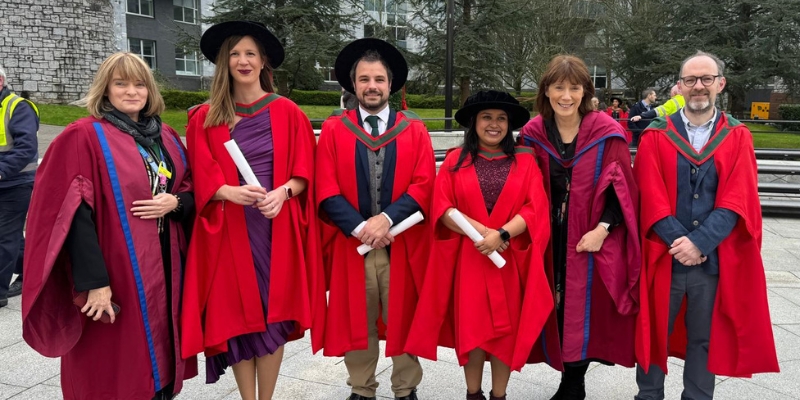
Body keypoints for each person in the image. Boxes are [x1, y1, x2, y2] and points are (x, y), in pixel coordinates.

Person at [21, 52, 196, 399]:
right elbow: (70, 215)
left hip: (165, 265)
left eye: (139, 83)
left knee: (159, 355)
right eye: (121, 83)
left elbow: (189, 186)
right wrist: (95, 283)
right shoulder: (83, 136)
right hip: (115, 268)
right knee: (114, 364)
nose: (132, 91)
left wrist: (175, 203)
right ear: (106, 89)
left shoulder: (166, 136)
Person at [180, 21, 325, 400]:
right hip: (228, 230)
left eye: (250, 54)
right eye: (235, 54)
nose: (242, 61)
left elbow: (305, 174)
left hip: (274, 226)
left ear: (263, 62)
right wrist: (225, 190)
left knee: (272, 315)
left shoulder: (288, 112)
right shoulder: (205, 116)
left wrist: (284, 193)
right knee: (237, 316)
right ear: (224, 63)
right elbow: (197, 174)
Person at [634, 51, 779, 400]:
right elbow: (649, 195)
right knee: (655, 333)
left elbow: (738, 198)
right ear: (679, 86)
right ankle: (648, 396)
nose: (698, 86)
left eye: (706, 79)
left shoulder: (737, 135)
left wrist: (699, 243)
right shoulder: (656, 135)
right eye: (691, 80)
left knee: (704, 338)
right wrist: (680, 242)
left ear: (720, 84)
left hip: (711, 259)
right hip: (663, 256)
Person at [404, 90, 554, 400]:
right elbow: (442, 209)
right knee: (471, 333)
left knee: (505, 335)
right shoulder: (456, 161)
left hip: (506, 259)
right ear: (474, 122)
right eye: (487, 117)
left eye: (501, 118)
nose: (494, 124)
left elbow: (534, 207)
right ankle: (473, 394)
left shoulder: (526, 160)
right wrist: (486, 232)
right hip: (470, 259)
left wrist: (502, 234)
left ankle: (499, 395)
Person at [316, 38, 435, 400]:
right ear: (353, 84)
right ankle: (361, 388)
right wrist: (362, 229)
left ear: (391, 84)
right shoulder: (335, 130)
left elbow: (424, 184)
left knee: (405, 314)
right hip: (353, 244)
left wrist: (385, 221)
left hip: (402, 243)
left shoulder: (413, 130)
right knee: (358, 317)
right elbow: (326, 187)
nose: (372, 86)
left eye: (379, 79)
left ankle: (405, 387)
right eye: (365, 79)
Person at [519, 55, 641, 400]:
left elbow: (624, 190)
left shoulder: (606, 132)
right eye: (559, 87)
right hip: (547, 236)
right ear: (547, 90)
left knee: (583, 309)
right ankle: (563, 371)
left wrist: (603, 229)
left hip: (590, 238)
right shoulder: (533, 134)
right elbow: (520, 184)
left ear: (586, 91)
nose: (566, 95)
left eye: (574, 87)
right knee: (554, 305)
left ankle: (574, 382)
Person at [0, 64, 38, 308]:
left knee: (4, 236)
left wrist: (2, 171)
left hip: (16, 184)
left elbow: (26, 149)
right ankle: (30, 270)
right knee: (10, 236)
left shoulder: (18, 106)